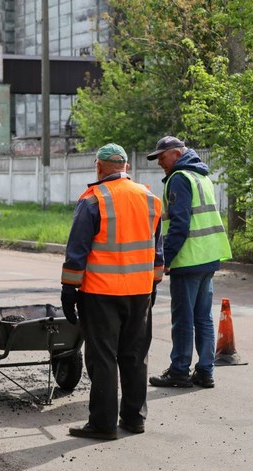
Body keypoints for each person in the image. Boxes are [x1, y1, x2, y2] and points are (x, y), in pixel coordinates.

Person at [61, 144, 164, 440]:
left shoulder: (93, 200)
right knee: (135, 355)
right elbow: (157, 251)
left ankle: (103, 424)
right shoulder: (150, 199)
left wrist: (69, 289)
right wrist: (153, 285)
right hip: (140, 292)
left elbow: (77, 252)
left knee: (103, 357)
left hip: (101, 293)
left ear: (98, 167)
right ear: (126, 167)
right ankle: (134, 418)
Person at [147, 136, 232, 389]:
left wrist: (166, 258)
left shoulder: (179, 178)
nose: (159, 163)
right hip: (208, 256)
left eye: (162, 157)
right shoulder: (201, 176)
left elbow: (180, 224)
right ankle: (205, 371)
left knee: (183, 319)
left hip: (189, 258)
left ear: (176, 154)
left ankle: (179, 371)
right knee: (203, 318)